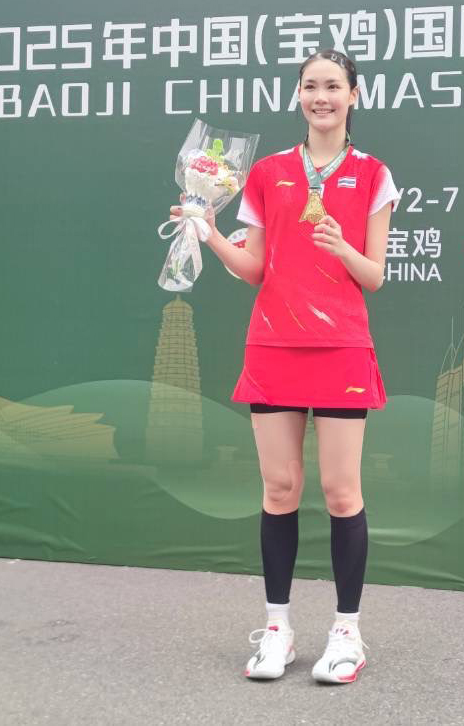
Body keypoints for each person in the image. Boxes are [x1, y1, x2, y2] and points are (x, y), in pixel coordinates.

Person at [172, 48, 399, 683]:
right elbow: (255, 269)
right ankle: (278, 629)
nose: (321, 97)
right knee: (278, 489)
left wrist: (342, 247)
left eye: (333, 86)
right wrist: (209, 231)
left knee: (341, 491)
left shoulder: (373, 174)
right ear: (298, 95)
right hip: (273, 346)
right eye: (310, 87)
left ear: (354, 95)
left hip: (341, 347)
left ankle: (347, 633)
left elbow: (375, 276)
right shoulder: (268, 173)